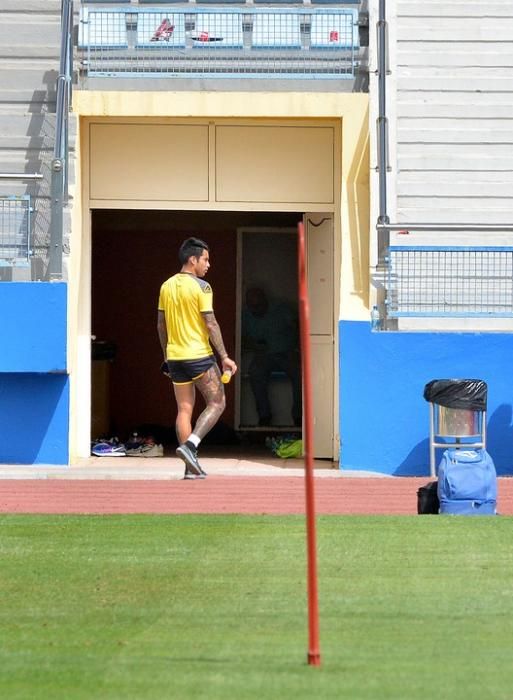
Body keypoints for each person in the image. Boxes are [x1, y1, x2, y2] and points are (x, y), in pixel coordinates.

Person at [157, 237, 237, 480]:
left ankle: (189, 467)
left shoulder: (166, 286)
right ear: (193, 260)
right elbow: (210, 323)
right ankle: (190, 446)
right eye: (205, 259)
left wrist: (167, 357)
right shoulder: (203, 287)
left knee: (184, 409)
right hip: (199, 356)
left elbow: (161, 325)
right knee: (217, 402)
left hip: (175, 357)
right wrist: (224, 356)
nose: (208, 264)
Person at [241, 287, 301, 427]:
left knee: (300, 374)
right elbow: (242, 337)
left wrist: (298, 348)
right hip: (264, 355)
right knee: (255, 372)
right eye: (252, 306)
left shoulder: (281, 310)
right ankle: (264, 416)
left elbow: (299, 327)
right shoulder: (246, 315)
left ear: (264, 300)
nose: (255, 310)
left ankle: (299, 417)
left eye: (258, 306)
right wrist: (253, 345)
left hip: (287, 353)